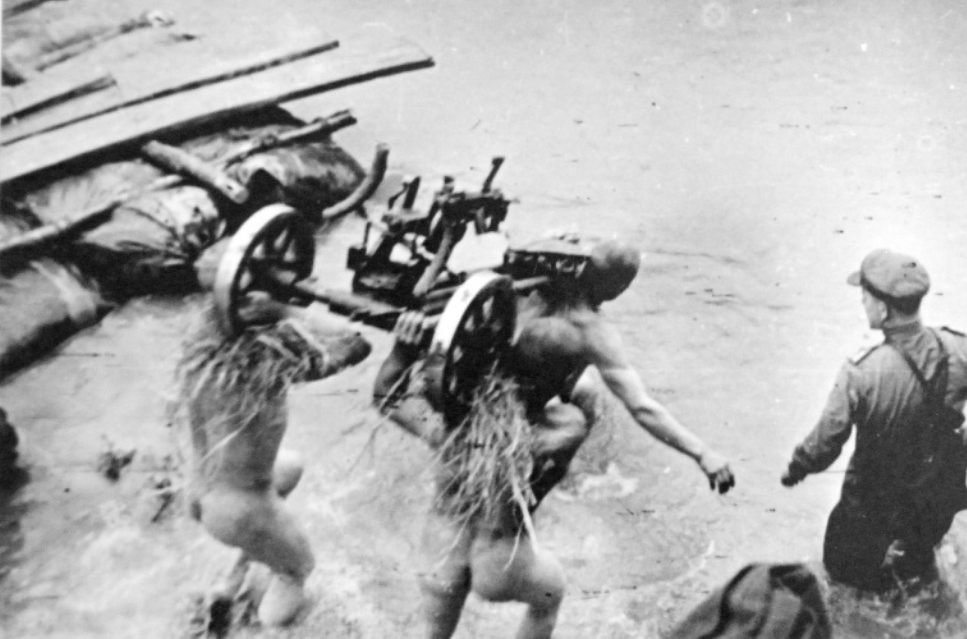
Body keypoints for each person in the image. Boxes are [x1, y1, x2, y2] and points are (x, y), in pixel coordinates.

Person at [372, 236, 735, 638]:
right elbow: (642, 407)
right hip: (499, 561)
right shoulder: (564, 416)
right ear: (617, 286)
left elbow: (385, 395)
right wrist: (703, 453)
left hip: (440, 550)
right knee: (550, 596)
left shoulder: (447, 427)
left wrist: (402, 351)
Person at [780, 249, 967, 593]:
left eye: (865, 297)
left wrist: (797, 468)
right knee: (915, 570)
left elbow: (826, 443)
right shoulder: (962, 349)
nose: (862, 303)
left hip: (870, 504)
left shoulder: (861, 372)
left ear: (882, 309)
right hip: (935, 497)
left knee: (843, 585)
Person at [178, 294, 371, 627]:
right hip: (240, 512)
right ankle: (268, 627)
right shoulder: (270, 367)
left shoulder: (200, 353)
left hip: (201, 490)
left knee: (290, 467)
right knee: (299, 570)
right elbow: (356, 343)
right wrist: (285, 309)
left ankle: (230, 583)